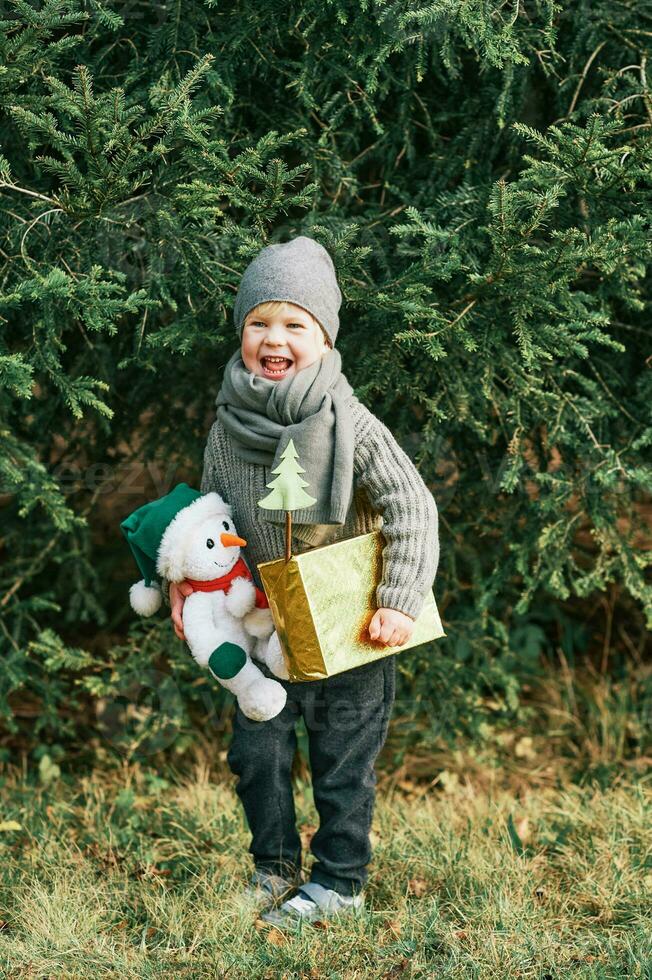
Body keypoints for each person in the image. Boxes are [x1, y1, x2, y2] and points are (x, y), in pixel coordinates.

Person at [167, 235, 439, 928]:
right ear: (241, 332)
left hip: (348, 625)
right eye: (259, 322)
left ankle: (341, 883)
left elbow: (411, 505)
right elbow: (212, 515)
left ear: (323, 336)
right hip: (263, 628)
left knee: (343, 758)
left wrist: (398, 601)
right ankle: (275, 867)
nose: (274, 337)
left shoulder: (351, 421)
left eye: (295, 324)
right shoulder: (229, 427)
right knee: (256, 752)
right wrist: (185, 586)